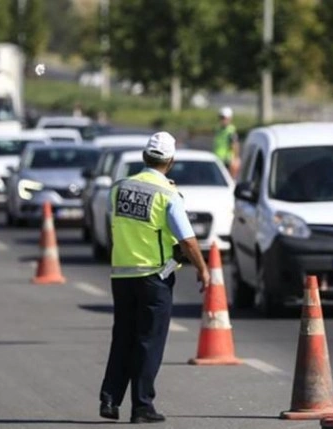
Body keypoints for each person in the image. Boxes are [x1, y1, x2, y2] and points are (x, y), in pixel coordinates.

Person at [98, 131, 211, 423]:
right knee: (149, 341)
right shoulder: (167, 194)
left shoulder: (119, 188)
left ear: (144, 157)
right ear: (170, 161)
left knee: (122, 337)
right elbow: (187, 240)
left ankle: (110, 399)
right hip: (153, 276)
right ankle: (142, 406)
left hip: (121, 274)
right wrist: (203, 268)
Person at [212, 106, 240, 178]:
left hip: (227, 160)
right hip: (217, 158)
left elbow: (235, 145)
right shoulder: (218, 129)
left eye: (224, 118)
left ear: (230, 119)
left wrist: (235, 159)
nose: (223, 120)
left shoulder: (231, 131)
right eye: (221, 118)